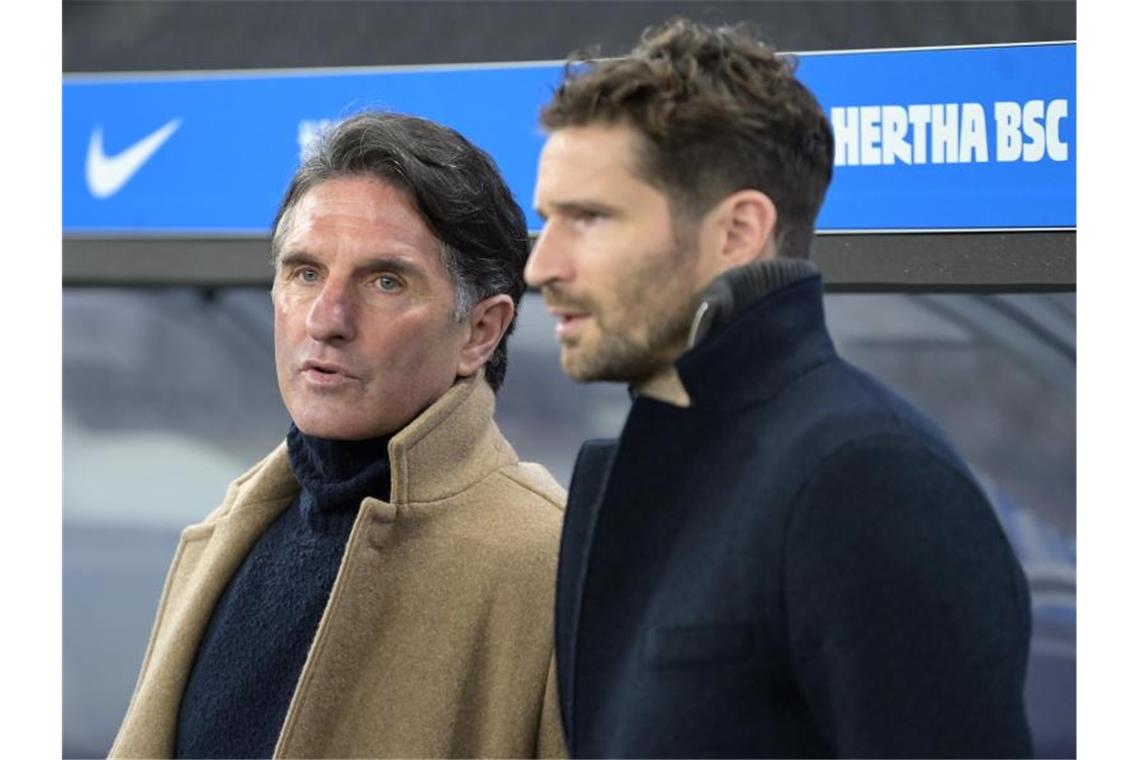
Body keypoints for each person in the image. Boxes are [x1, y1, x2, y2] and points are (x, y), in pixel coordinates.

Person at [525, 18, 1033, 759]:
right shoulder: (629, 470)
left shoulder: (865, 477)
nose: (541, 267)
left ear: (737, 233)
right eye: (547, 220)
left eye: (590, 218)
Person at [111, 111, 566, 759]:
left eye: (385, 281)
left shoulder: (549, 567)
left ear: (481, 332)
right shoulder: (232, 527)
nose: (326, 320)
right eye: (304, 273)